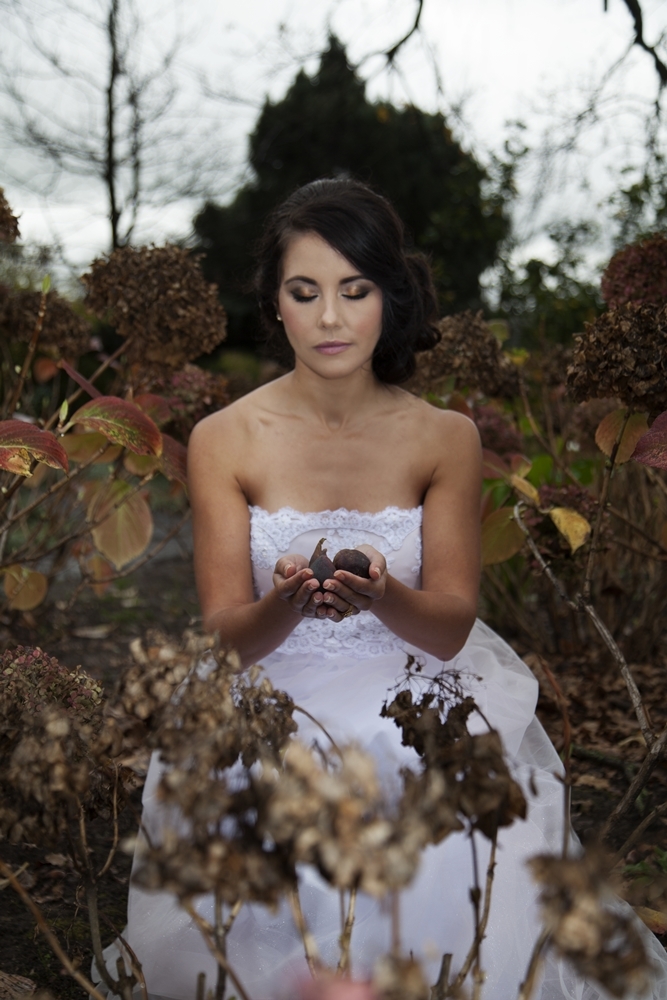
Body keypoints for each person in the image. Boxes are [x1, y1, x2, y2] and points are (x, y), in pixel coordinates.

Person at [106, 179, 667, 1000]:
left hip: (415, 680)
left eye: (354, 290)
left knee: (407, 753)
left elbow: (448, 626)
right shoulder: (224, 438)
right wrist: (284, 604)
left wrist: (381, 596)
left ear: (388, 297)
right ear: (274, 304)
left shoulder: (444, 436)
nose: (330, 318)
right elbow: (224, 636)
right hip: (268, 690)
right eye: (305, 292)